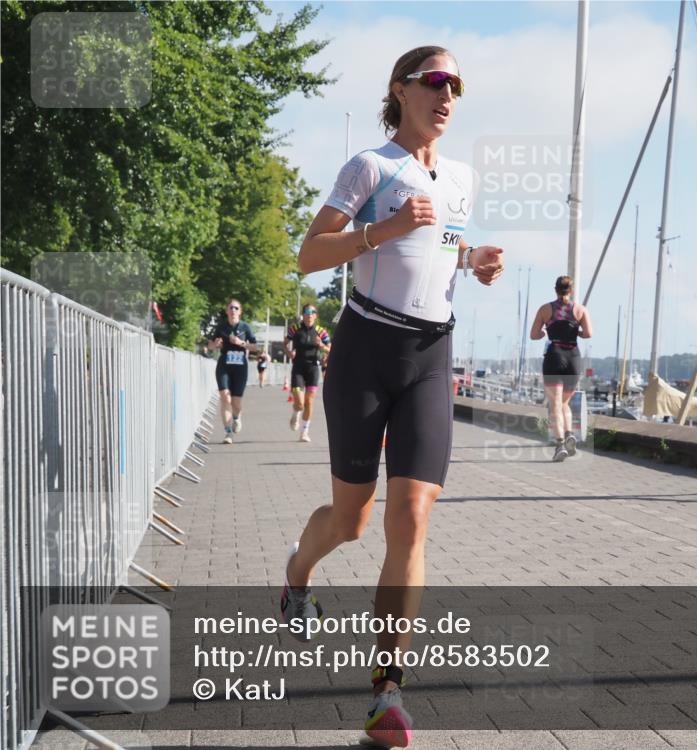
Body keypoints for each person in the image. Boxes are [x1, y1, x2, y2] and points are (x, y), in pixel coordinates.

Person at [282, 46, 503, 749]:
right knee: (352, 521)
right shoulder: (369, 168)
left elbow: (444, 250)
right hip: (365, 351)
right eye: (436, 81)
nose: (448, 95)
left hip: (432, 354)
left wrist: (476, 262)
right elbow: (309, 254)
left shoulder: (463, 179)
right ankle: (297, 574)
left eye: (456, 85)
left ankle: (386, 693)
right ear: (401, 89)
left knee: (410, 516)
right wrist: (381, 229)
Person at [530, 276, 593, 461]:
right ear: (571, 290)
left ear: (555, 289)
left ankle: (560, 445)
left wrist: (544, 332)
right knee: (564, 402)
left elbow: (534, 334)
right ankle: (569, 434)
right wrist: (575, 331)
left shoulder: (545, 309)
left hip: (554, 356)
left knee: (554, 405)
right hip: (573, 357)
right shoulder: (580, 310)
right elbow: (588, 333)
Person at [206, 299, 259, 444]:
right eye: (231, 308)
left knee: (236, 403)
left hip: (240, 366)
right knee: (225, 397)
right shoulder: (221, 327)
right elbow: (209, 345)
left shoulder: (245, 327)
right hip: (224, 365)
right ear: (227, 311)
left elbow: (255, 347)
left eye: (236, 308)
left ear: (240, 311)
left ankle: (236, 417)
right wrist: (215, 344)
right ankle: (228, 433)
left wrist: (241, 343)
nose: (233, 310)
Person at [285, 305, 331, 442]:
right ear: (303, 315)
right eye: (306, 312)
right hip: (298, 368)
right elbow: (285, 343)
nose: (309, 315)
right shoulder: (294, 329)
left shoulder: (321, 332)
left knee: (309, 402)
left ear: (315, 316)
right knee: (299, 402)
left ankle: (304, 432)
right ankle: (296, 412)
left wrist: (321, 345)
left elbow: (331, 349)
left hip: (313, 368)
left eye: (312, 313)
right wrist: (289, 353)